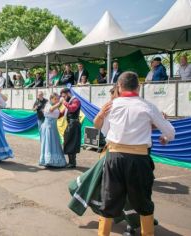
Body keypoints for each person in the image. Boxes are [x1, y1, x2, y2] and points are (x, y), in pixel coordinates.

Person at [96, 72, 175, 236]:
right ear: (138, 87)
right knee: (143, 202)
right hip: (138, 159)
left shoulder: (112, 105)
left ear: (119, 86)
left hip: (114, 157)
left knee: (109, 201)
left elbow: (104, 131)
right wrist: (165, 138)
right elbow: (169, 131)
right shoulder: (147, 106)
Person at [39, 93, 67, 168]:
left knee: (54, 143)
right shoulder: (48, 104)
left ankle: (53, 161)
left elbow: (58, 114)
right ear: (51, 99)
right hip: (48, 126)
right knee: (49, 143)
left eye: (57, 99)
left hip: (53, 127)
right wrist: (60, 103)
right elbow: (51, 110)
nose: (57, 100)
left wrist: (66, 108)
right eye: (55, 99)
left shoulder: (55, 106)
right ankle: (48, 160)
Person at [60, 88, 81, 168]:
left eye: (64, 96)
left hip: (74, 124)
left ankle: (72, 163)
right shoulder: (69, 101)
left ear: (68, 93)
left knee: (72, 143)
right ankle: (71, 162)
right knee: (68, 142)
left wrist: (64, 102)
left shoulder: (76, 100)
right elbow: (62, 113)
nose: (64, 98)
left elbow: (72, 109)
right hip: (71, 124)